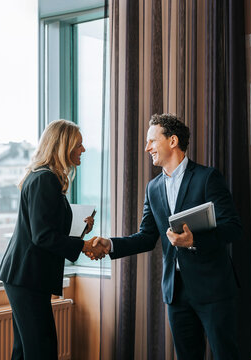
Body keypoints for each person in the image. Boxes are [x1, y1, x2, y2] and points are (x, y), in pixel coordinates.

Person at [89, 114, 242, 359]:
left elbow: (233, 227)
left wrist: (195, 241)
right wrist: (110, 244)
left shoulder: (207, 178)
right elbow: (146, 237)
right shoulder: (153, 188)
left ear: (173, 141)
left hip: (213, 289)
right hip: (176, 292)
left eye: (152, 140)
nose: (147, 147)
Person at [0, 119, 107, 360]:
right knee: (41, 350)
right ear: (63, 145)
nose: (83, 150)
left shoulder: (43, 178)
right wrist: (84, 246)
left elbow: (45, 229)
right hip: (28, 277)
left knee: (26, 350)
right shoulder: (45, 179)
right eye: (78, 144)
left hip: (26, 276)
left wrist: (79, 232)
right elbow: (43, 236)